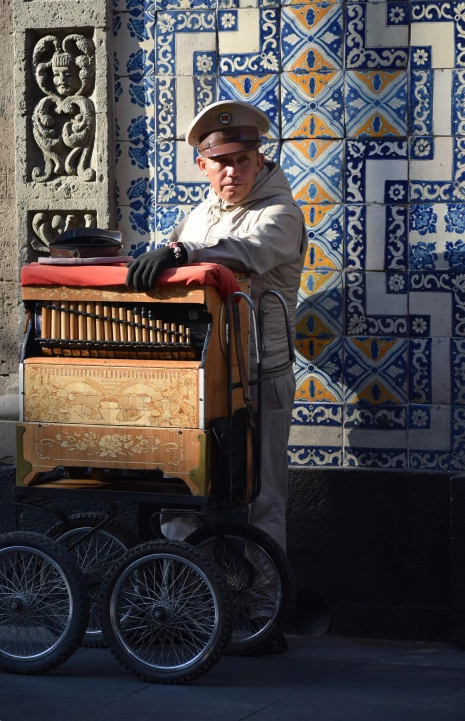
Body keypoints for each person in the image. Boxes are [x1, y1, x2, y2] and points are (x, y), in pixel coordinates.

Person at [126, 100, 307, 651]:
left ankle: (264, 614)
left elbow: (241, 254)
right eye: (220, 162)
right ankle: (194, 603)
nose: (232, 172)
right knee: (189, 487)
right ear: (203, 165)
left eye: (243, 159)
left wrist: (181, 250)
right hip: (204, 377)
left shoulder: (280, 213)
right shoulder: (198, 214)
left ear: (259, 159)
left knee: (263, 498)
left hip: (260, 376)